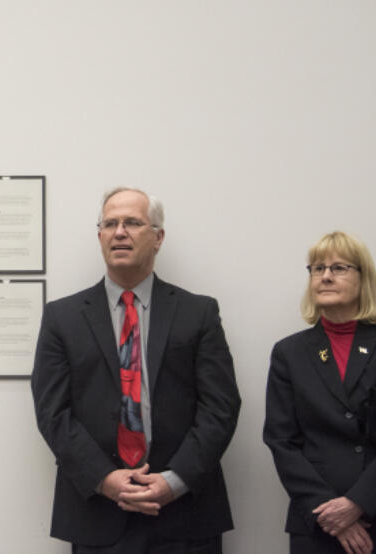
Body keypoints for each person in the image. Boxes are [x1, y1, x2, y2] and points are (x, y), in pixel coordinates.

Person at [32, 187, 241, 554]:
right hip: (98, 513)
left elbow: (220, 407)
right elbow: (52, 413)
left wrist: (174, 481)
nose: (119, 232)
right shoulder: (61, 318)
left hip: (186, 515)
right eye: (109, 223)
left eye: (132, 222)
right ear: (99, 236)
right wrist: (105, 479)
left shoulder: (199, 313)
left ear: (158, 237)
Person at [264, 232, 376, 554]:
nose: (326, 276)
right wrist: (332, 511)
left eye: (339, 268)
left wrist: (358, 503)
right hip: (320, 518)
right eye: (317, 268)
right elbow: (281, 440)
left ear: (364, 278)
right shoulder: (289, 352)